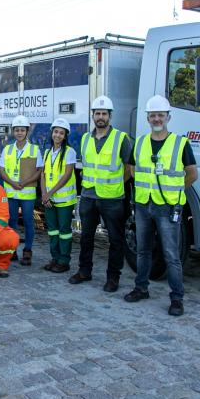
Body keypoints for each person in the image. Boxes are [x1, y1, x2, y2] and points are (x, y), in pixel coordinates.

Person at [126, 95, 198, 316]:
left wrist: (176, 192)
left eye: (160, 115)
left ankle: (177, 299)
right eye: (153, 115)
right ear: (148, 118)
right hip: (143, 205)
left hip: (167, 207)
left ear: (168, 117)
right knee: (143, 250)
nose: (157, 119)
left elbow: (193, 174)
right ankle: (141, 288)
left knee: (171, 255)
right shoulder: (140, 142)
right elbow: (131, 167)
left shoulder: (180, 143)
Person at [70, 96, 133, 291]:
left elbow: (129, 168)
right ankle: (84, 271)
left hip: (112, 198)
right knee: (86, 237)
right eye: (97, 113)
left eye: (104, 113)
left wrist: (114, 185)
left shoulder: (122, 139)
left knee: (115, 240)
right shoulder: (85, 139)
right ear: (92, 116)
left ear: (110, 116)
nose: (100, 117)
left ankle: (113, 278)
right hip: (89, 196)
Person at [0, 115, 42, 266]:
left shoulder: (35, 149)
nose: (19, 133)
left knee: (29, 222)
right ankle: (12, 249)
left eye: (22, 130)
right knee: (11, 222)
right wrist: (12, 183)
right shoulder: (7, 149)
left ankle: (27, 251)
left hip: (27, 192)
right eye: (17, 130)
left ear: (27, 131)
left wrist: (24, 182)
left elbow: (38, 171)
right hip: (11, 192)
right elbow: (1, 170)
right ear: (13, 132)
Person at [40, 118, 78, 273]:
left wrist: (49, 193)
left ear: (65, 136)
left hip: (64, 200)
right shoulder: (48, 152)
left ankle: (64, 260)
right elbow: (43, 174)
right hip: (49, 199)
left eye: (61, 133)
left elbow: (67, 175)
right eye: (55, 132)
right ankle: (54, 258)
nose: (57, 135)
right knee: (52, 230)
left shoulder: (69, 152)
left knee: (64, 231)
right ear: (52, 133)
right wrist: (44, 195)